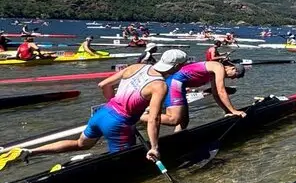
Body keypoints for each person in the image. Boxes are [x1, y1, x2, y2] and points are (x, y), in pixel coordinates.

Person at [13, 50, 188, 162]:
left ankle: (31, 152)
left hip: (103, 113)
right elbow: (154, 119)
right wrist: (155, 147)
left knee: (81, 143)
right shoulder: (160, 85)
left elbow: (103, 85)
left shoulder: (136, 67)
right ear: (178, 66)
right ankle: (86, 168)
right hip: (119, 124)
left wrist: (115, 102)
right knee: (121, 164)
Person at [157, 59, 247, 131]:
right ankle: (144, 116)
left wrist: (227, 110)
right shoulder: (218, 67)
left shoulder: (214, 73)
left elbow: (215, 94)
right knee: (174, 119)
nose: (233, 78)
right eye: (236, 75)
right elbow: (221, 91)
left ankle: (176, 140)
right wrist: (234, 111)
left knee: (184, 122)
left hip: (179, 85)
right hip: (175, 83)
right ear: (233, 68)